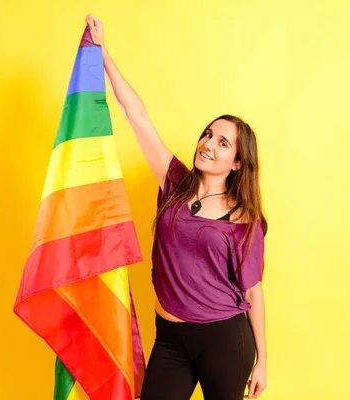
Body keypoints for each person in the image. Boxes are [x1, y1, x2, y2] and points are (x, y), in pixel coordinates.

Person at [85, 14, 268, 400]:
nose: (208, 144)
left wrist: (263, 362)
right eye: (208, 134)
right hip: (169, 337)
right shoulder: (173, 183)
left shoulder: (243, 219)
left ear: (238, 163)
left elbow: (253, 290)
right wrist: (102, 55)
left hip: (224, 338)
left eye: (223, 143)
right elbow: (137, 115)